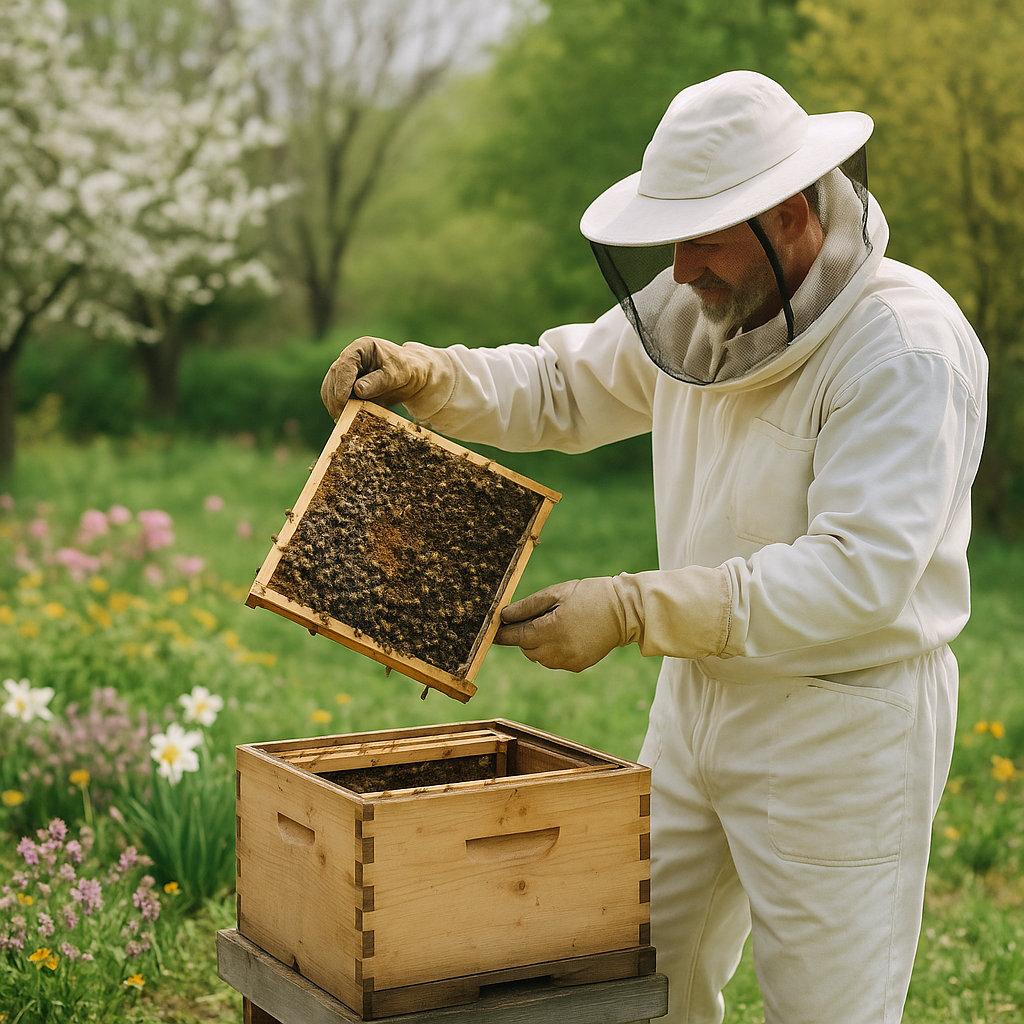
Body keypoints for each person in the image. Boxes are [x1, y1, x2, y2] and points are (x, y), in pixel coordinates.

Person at [320, 71, 987, 1024]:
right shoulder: (702, 308)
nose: (680, 269)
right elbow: (562, 386)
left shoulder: (902, 345)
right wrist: (432, 376)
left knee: (825, 1011)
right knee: (633, 983)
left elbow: (857, 573)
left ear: (790, 213)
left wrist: (635, 607)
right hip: (695, 702)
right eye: (672, 238)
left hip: (841, 726)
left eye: (703, 238)